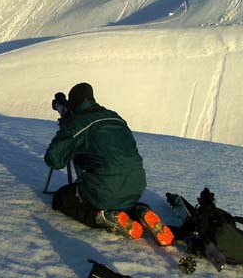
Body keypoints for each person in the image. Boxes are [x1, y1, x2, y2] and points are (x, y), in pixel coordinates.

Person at [44, 82, 174, 246]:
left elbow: (54, 160)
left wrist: (66, 131)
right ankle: (140, 210)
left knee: (60, 199)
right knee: (120, 199)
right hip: (136, 185)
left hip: (105, 189)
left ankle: (104, 217)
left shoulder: (78, 123)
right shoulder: (114, 116)